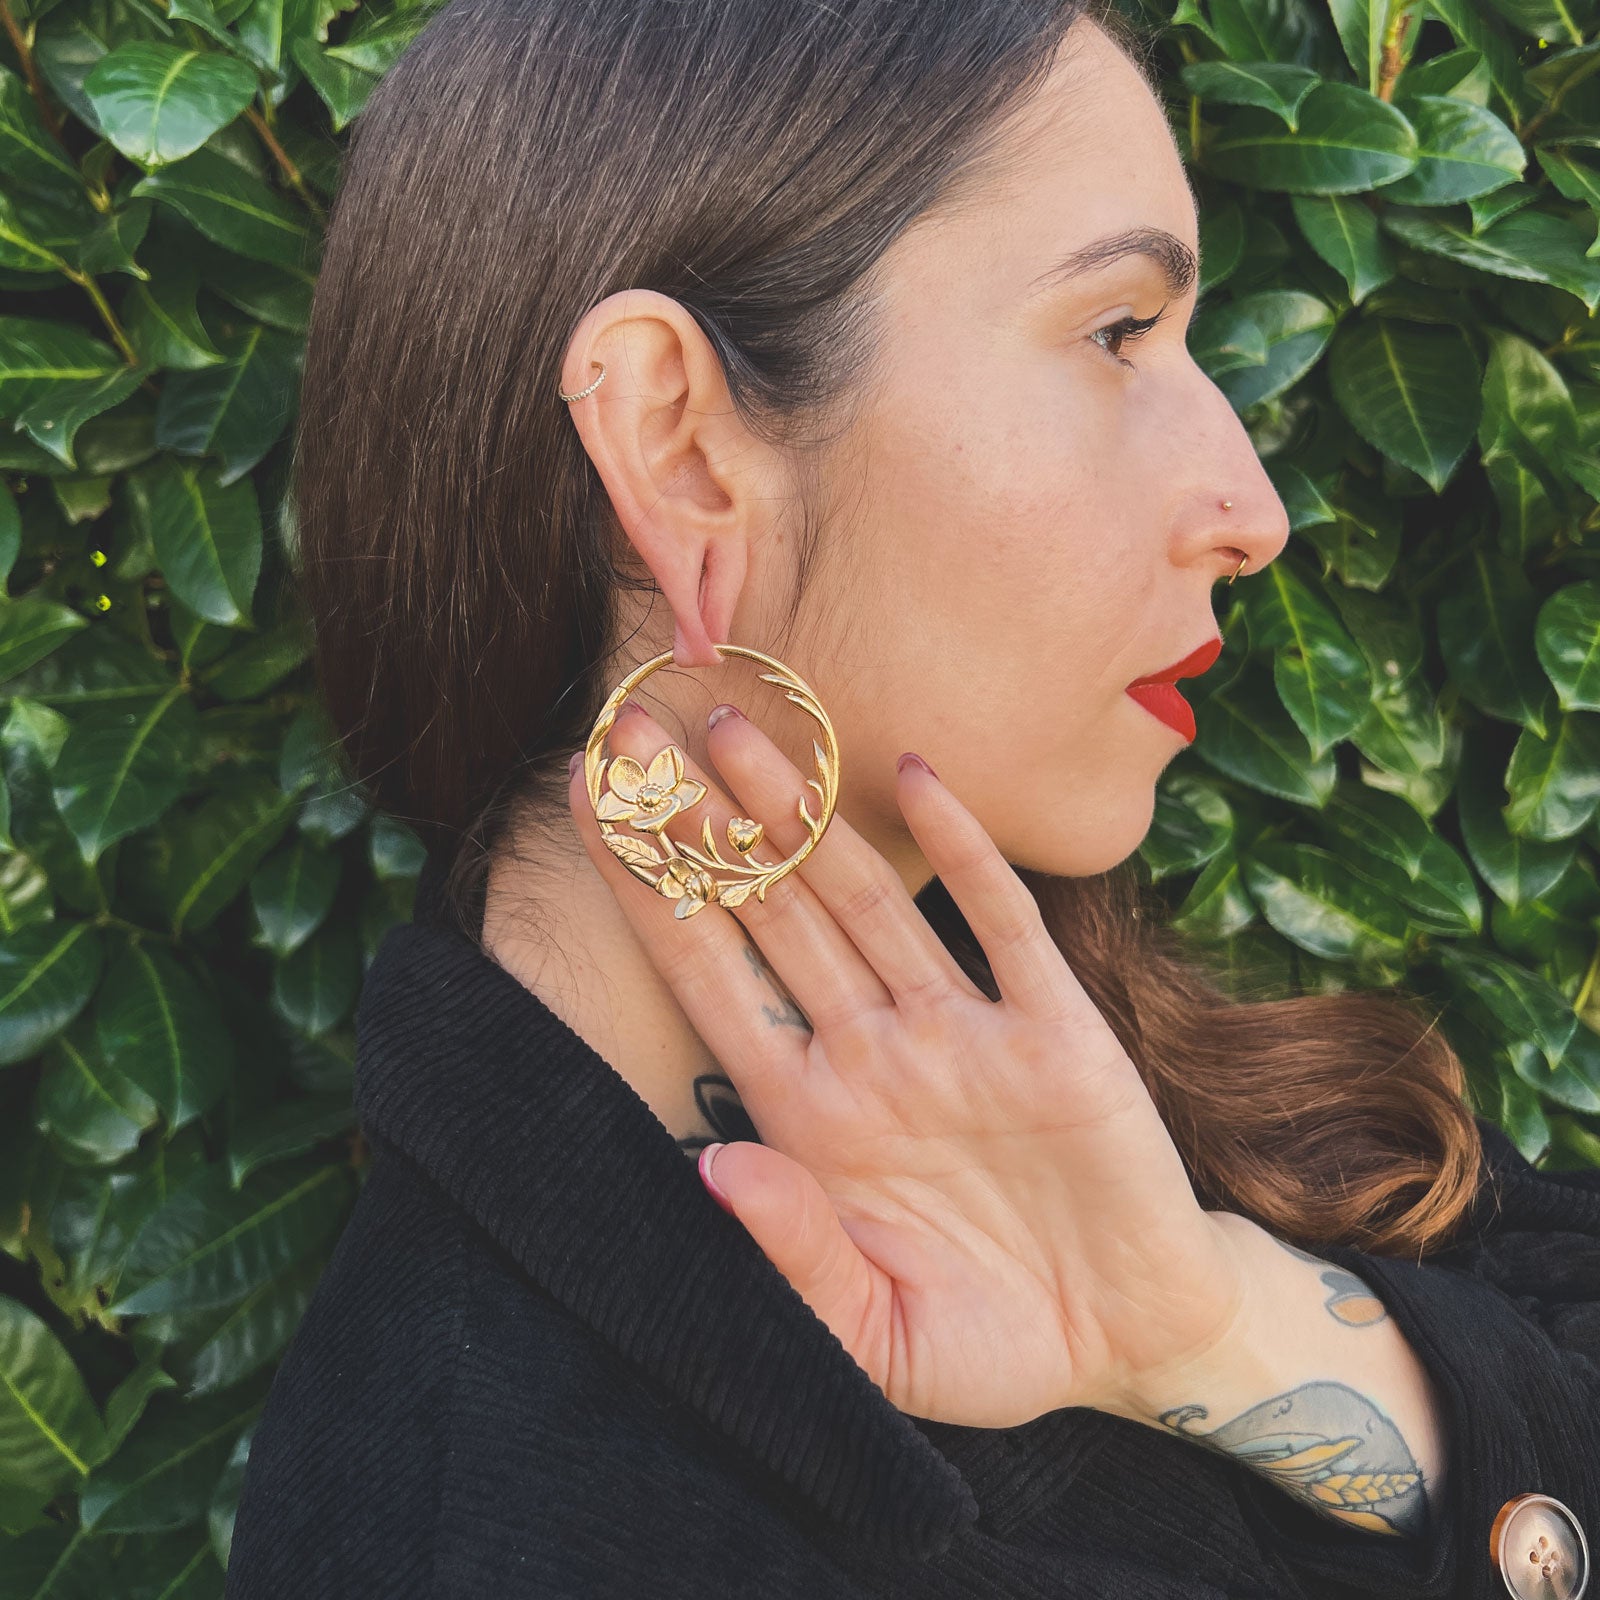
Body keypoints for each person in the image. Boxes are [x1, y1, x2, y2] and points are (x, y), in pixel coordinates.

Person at [225, 1, 1600, 1596]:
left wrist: (1219, 1328)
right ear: (679, 449)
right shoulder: (487, 1527)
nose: (1251, 511)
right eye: (1116, 332)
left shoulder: (1109, 1075)